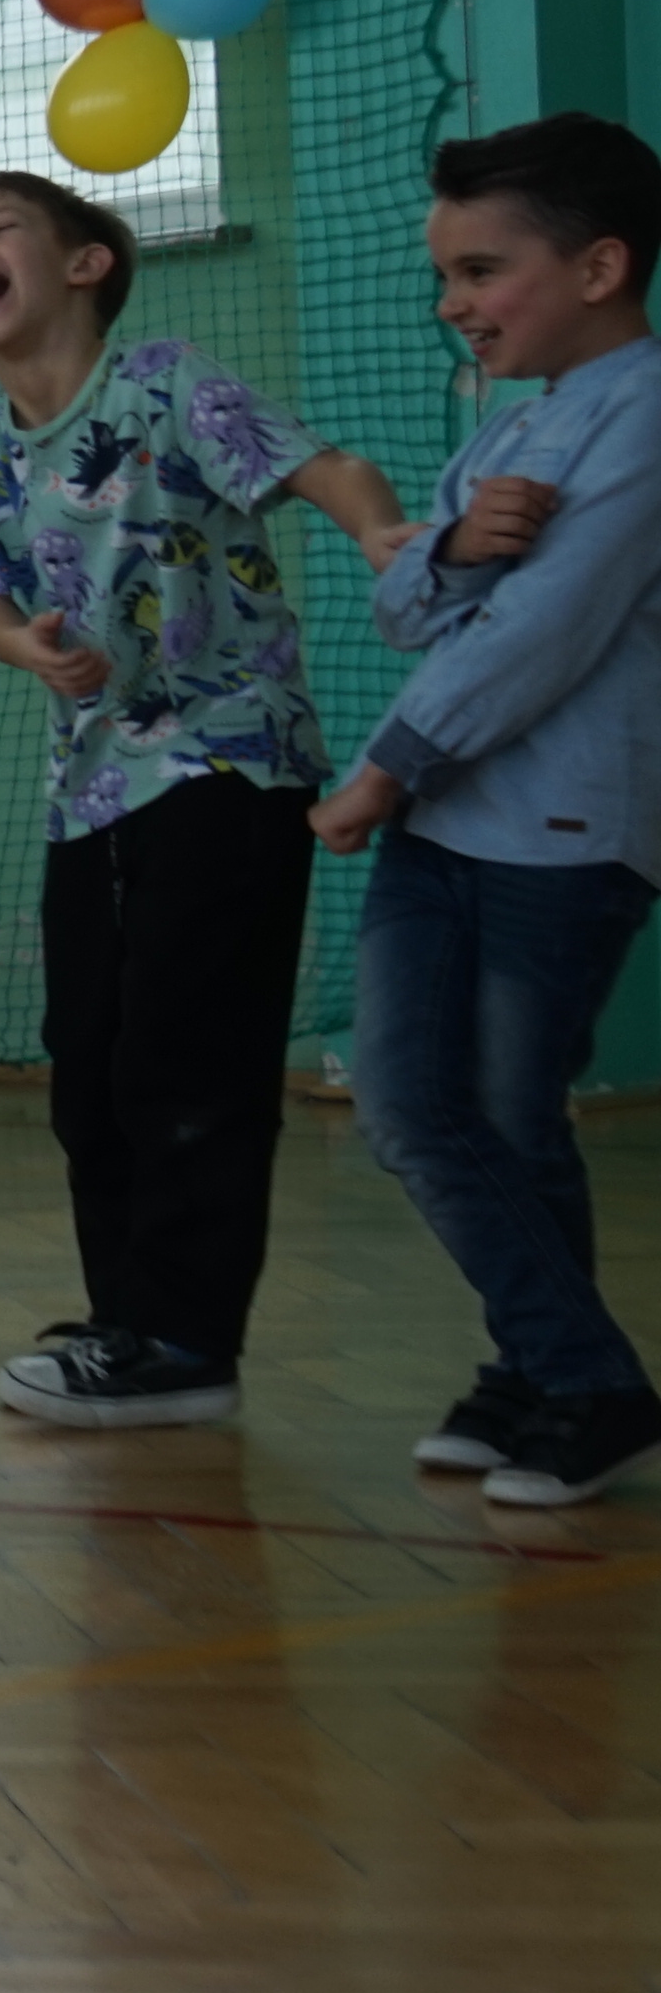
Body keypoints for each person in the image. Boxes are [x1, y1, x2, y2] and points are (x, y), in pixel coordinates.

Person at [0, 169, 408, 1427]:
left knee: (187, 1056)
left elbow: (327, 469)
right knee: (87, 1063)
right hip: (89, 786)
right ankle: (126, 1322)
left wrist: (379, 533)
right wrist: (26, 646)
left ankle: (188, 1341)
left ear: (86, 263)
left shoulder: (168, 383)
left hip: (229, 758)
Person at [317, 113, 661, 1509]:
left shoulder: (646, 415)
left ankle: (573, 1384)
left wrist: (386, 768)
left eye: (481, 271)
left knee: (508, 1114)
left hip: (564, 836)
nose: (454, 304)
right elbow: (405, 602)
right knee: (410, 1101)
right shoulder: (507, 429)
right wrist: (452, 544)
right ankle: (554, 1369)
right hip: (443, 830)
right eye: (445, 277)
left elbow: (545, 634)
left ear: (599, 268)